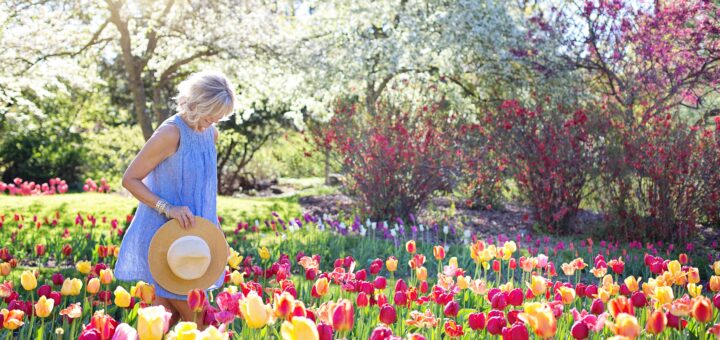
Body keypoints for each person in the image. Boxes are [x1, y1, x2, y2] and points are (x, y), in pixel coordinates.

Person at [115, 71, 236, 326]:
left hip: (195, 241)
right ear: (195, 104)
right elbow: (130, 179)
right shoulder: (171, 134)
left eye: (219, 117)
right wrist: (167, 207)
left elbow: (204, 193)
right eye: (210, 114)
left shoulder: (210, 134)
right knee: (204, 324)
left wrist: (216, 233)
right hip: (169, 241)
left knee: (162, 324)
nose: (213, 121)